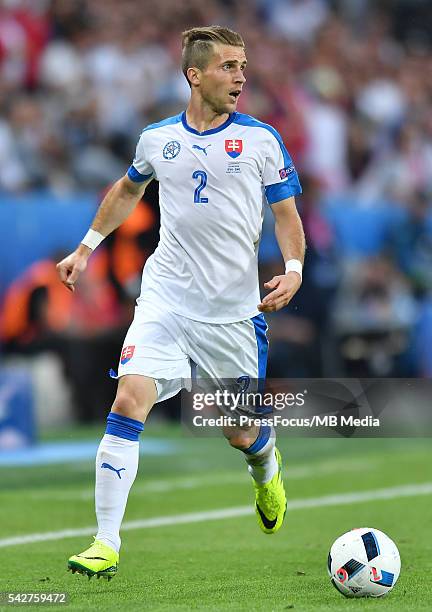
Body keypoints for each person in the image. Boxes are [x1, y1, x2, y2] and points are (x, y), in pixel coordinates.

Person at [57, 26, 304, 580]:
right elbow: (127, 190)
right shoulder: (157, 138)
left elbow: (286, 216)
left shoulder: (262, 140)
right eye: (228, 66)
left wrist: (293, 270)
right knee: (128, 402)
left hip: (233, 314)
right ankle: (105, 541)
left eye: (243, 65)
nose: (241, 75)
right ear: (195, 75)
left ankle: (265, 465)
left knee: (238, 432)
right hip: (165, 298)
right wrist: (86, 248)